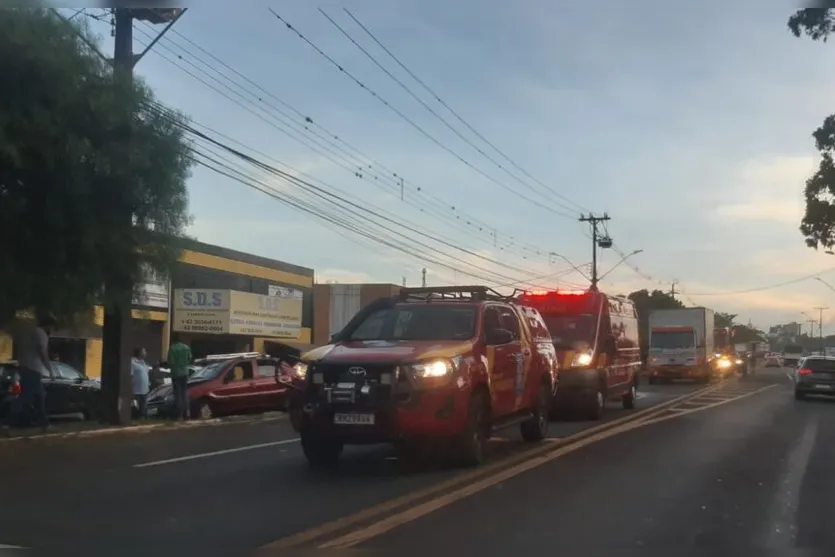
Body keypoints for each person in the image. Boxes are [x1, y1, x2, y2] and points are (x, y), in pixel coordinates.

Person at [3, 314, 56, 434]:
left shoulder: (29, 333)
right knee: (25, 398)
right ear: (48, 325)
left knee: (39, 397)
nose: (52, 330)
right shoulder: (41, 334)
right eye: (52, 327)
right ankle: (6, 423)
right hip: (33, 369)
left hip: (25, 367)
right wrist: (50, 370)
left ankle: (45, 424)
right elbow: (42, 352)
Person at [166, 334, 192, 420]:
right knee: (185, 393)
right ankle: (187, 413)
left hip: (176, 373)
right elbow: (189, 358)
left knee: (178, 395)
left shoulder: (172, 348)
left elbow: (170, 361)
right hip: (185, 372)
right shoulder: (186, 347)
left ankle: (179, 415)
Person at [131, 347, 150, 419]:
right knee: (136, 407)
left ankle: (142, 418)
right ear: (139, 353)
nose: (145, 353)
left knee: (143, 407)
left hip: (145, 390)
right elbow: (130, 375)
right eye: (144, 351)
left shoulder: (143, 363)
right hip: (136, 390)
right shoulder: (132, 362)